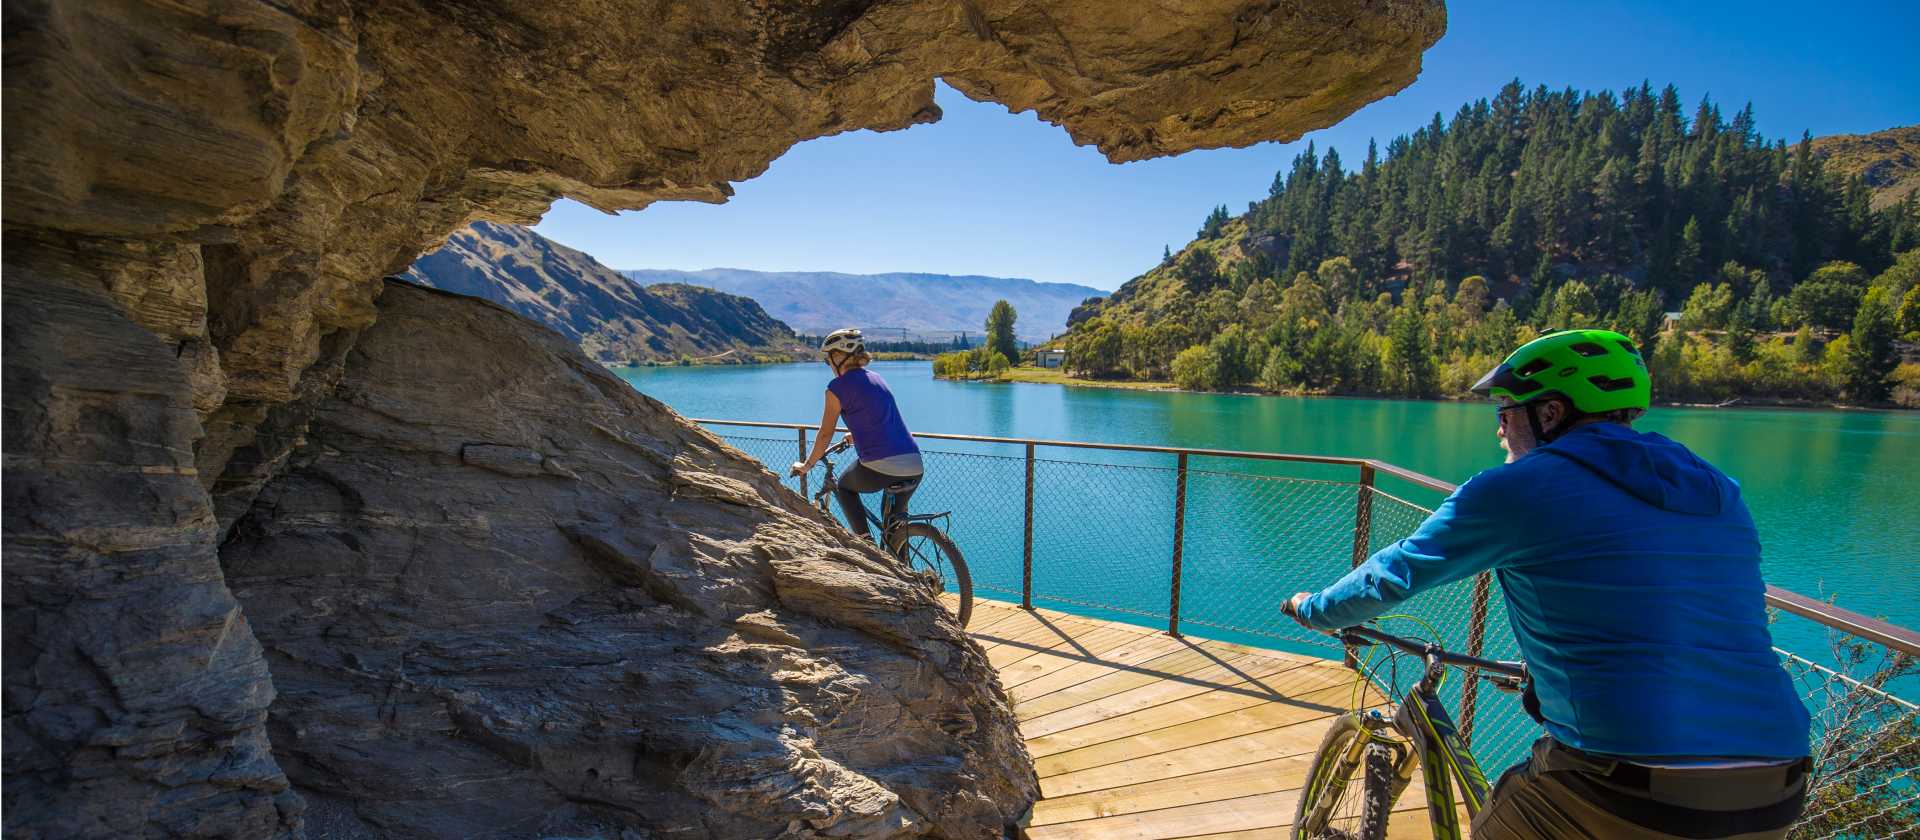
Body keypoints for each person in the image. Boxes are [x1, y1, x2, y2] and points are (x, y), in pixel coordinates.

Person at [1283, 328, 1812, 839]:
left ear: (1550, 413)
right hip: (1777, 776)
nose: (1499, 431)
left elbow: (1393, 574)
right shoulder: (1716, 489)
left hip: (1624, 779)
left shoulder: (1518, 490)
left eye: (1505, 413)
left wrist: (1313, 609)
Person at [790, 328, 923, 542]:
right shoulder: (877, 378)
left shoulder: (837, 388)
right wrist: (855, 433)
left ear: (838, 357)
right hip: (914, 463)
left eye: (828, 360)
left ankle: (865, 545)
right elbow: (881, 417)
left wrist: (807, 466)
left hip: (882, 465)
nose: (829, 365)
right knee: (893, 528)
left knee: (843, 487)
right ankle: (900, 558)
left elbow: (825, 434)